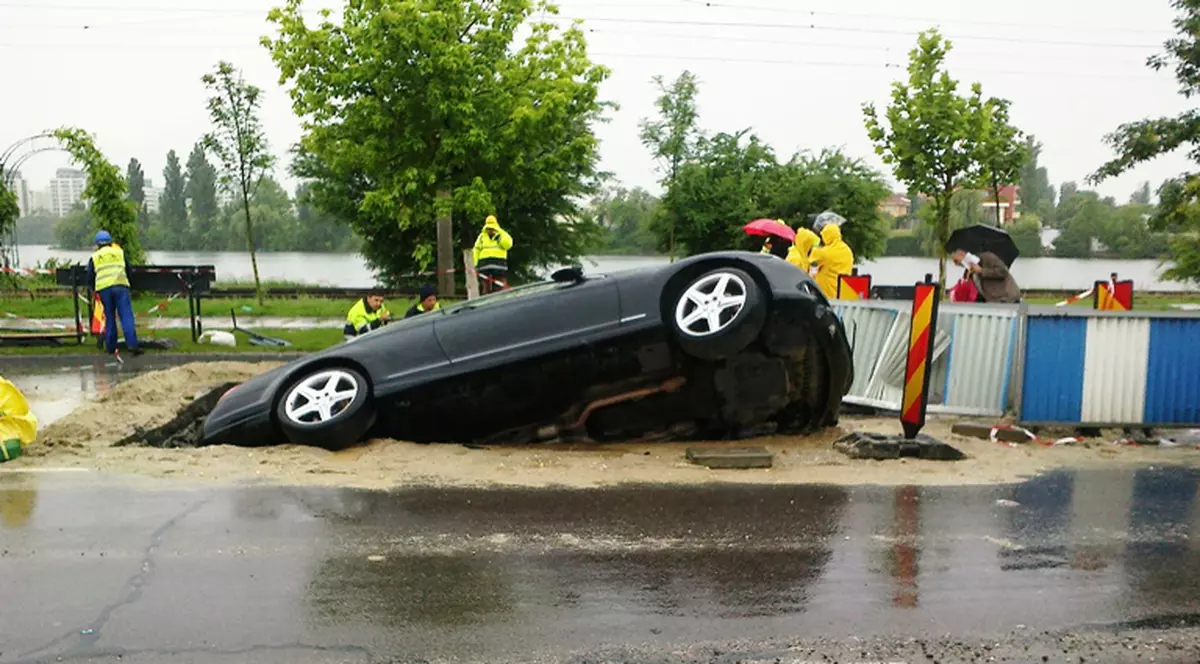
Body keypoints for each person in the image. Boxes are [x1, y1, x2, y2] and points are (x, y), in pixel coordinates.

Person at [86, 230, 142, 357]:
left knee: (109, 317)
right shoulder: (119, 252)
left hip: (104, 289)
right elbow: (129, 269)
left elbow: (90, 276)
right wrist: (130, 283)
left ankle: (111, 346)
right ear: (110, 242)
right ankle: (132, 345)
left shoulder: (95, 257)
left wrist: (93, 288)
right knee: (126, 316)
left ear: (97, 244)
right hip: (121, 286)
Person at [950, 248, 1022, 303]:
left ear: (963, 254)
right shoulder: (969, 270)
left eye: (956, 261)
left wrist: (982, 270)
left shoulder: (988, 257)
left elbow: (1003, 272)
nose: (956, 264)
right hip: (992, 301)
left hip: (1007, 298)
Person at [808, 222, 854, 299]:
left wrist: (815, 249)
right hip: (843, 293)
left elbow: (810, 265)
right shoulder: (847, 250)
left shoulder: (823, 252)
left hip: (826, 293)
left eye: (824, 236)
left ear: (828, 236)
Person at [473, 214, 514, 294]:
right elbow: (476, 249)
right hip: (484, 266)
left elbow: (508, 245)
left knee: (500, 288)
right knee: (485, 289)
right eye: (488, 228)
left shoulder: (502, 234)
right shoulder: (481, 237)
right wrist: (475, 263)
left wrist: (499, 238)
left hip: (499, 266)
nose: (490, 230)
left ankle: (500, 300)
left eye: (491, 228)